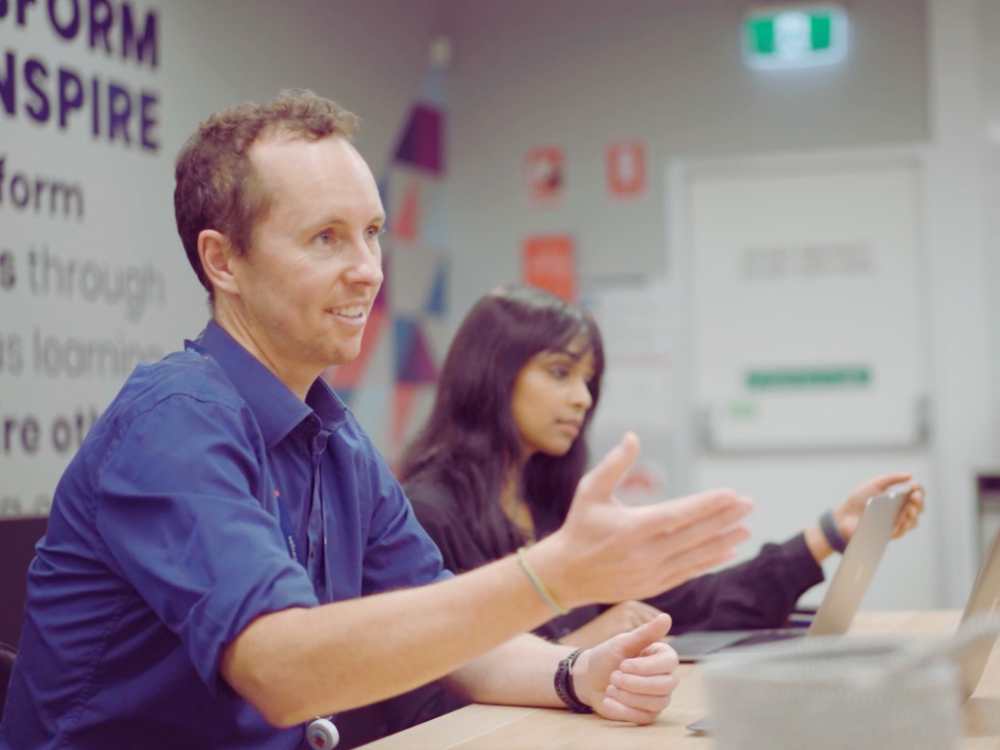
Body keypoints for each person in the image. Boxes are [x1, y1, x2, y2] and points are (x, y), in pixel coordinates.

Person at [0, 91, 755, 750]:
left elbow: (453, 640)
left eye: (372, 231)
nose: (368, 268)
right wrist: (557, 574)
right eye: (326, 237)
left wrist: (576, 673)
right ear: (224, 263)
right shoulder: (173, 422)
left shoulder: (334, 436)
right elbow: (284, 672)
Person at [400, 284, 926, 646]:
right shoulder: (429, 513)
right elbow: (437, 683)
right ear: (490, 375)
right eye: (559, 372)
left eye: (589, 379)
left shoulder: (551, 505)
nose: (582, 398)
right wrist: (583, 647)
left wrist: (831, 531)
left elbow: (696, 605)